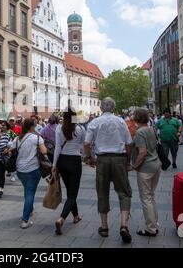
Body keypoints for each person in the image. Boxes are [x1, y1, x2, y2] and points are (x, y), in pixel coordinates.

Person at [84, 98, 133, 243]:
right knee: (124, 192)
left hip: (102, 160)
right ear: (114, 107)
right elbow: (129, 144)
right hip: (119, 159)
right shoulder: (120, 121)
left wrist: (89, 157)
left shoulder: (94, 122)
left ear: (100, 108)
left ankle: (104, 227)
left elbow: (87, 143)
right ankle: (124, 225)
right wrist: (128, 162)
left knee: (102, 192)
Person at [52, 109, 85, 235]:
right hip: (75, 161)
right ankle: (62, 218)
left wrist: (54, 165)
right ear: (74, 117)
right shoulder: (80, 129)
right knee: (72, 194)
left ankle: (76, 216)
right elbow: (82, 146)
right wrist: (85, 157)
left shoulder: (59, 129)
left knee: (70, 191)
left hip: (62, 161)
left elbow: (58, 148)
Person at [10, 118, 47, 229]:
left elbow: (10, 150)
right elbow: (44, 151)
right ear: (32, 127)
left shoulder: (17, 138)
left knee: (28, 190)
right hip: (33, 169)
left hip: (20, 170)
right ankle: (25, 220)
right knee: (30, 193)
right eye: (34, 126)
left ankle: (29, 209)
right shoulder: (37, 138)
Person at [131, 109, 161, 237]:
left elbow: (142, 152)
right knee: (151, 196)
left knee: (146, 198)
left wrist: (134, 165)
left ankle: (150, 228)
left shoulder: (140, 132)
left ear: (137, 118)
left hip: (146, 168)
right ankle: (155, 223)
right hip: (156, 165)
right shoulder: (151, 129)